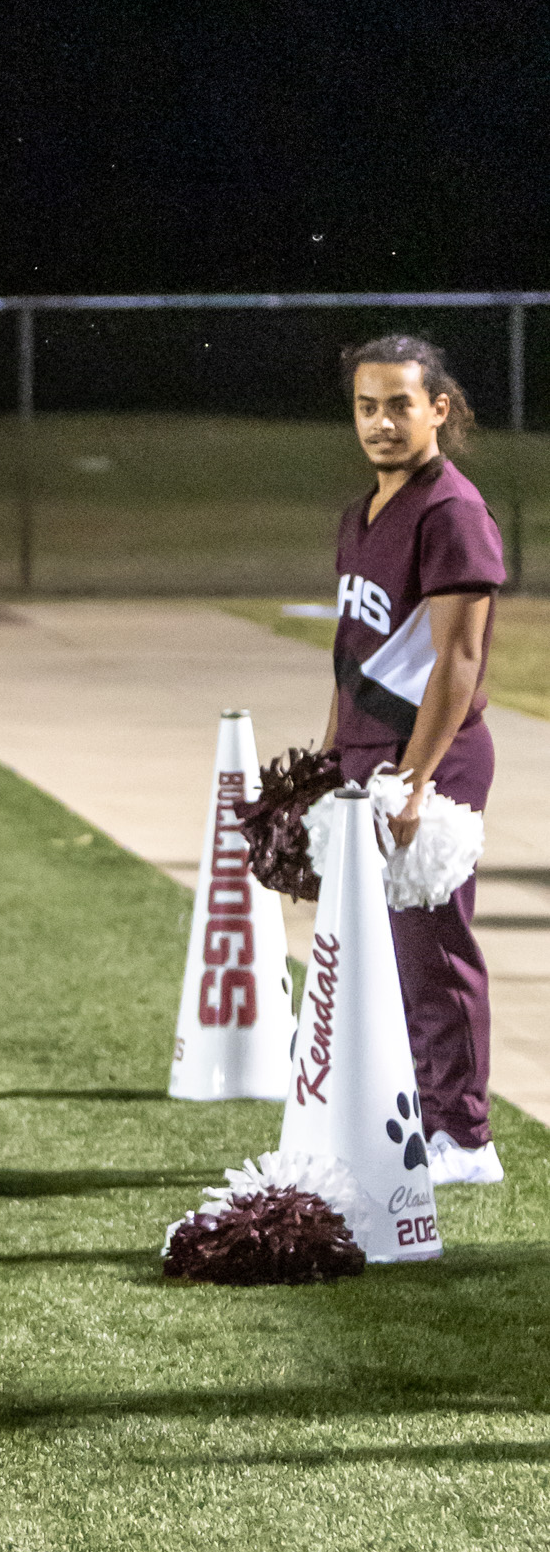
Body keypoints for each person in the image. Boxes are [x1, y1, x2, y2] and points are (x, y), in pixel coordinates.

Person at [322, 334, 505, 1185]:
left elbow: (457, 662)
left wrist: (415, 779)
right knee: (379, 954)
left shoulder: (450, 511)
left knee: (431, 953)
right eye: (367, 406)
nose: (382, 423)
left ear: (439, 408)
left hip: (427, 762)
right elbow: (352, 653)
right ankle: (405, 1118)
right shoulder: (361, 512)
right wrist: (327, 759)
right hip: (368, 757)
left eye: (400, 404)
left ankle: (463, 1139)